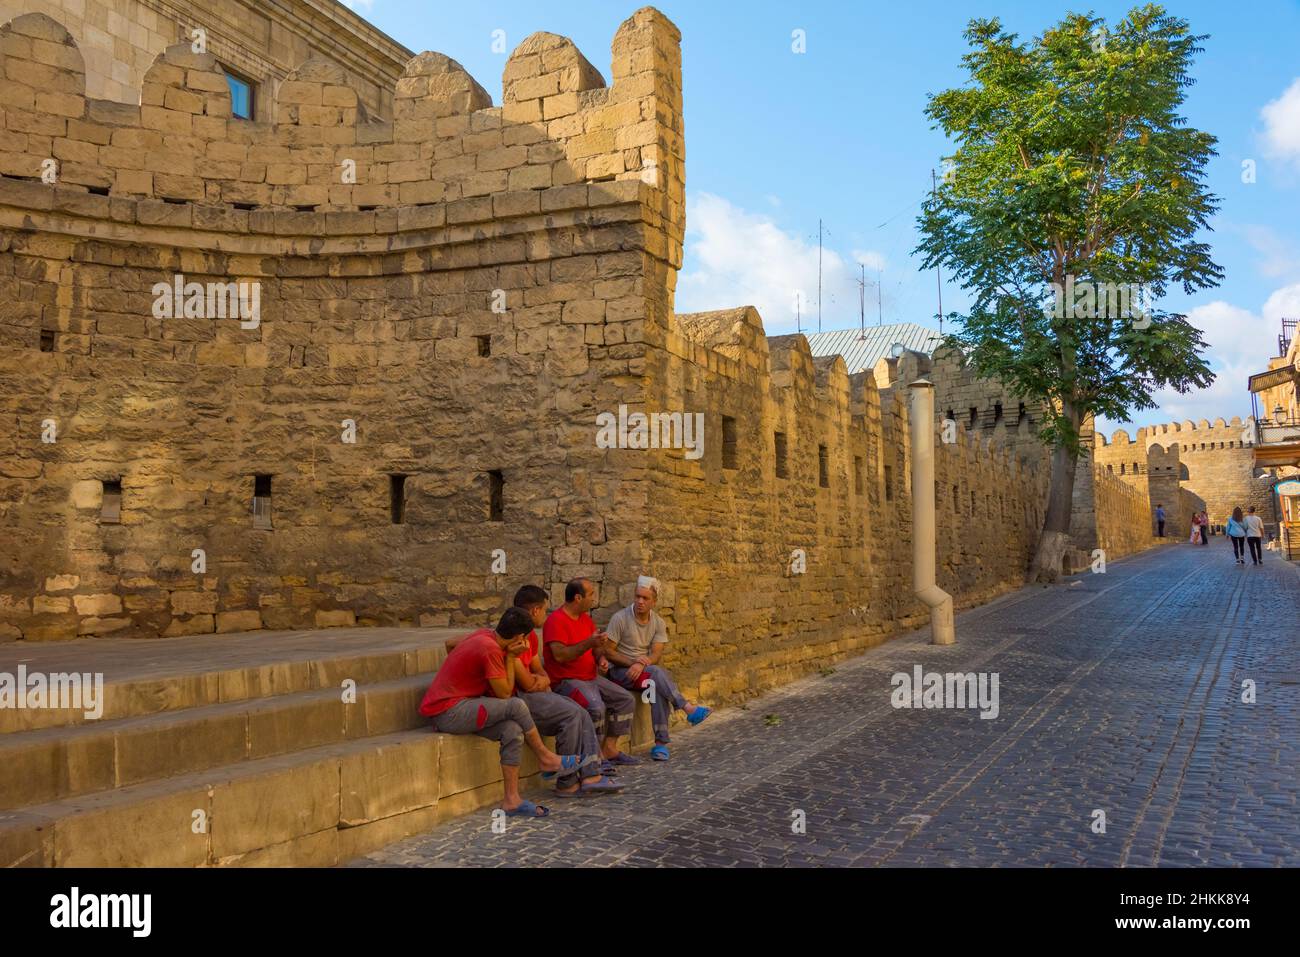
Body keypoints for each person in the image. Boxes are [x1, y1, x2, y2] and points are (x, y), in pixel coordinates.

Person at [445, 586, 622, 797]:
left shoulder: (530, 638)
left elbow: (540, 671)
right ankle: (569, 780)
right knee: (572, 713)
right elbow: (527, 683)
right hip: (520, 697)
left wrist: (542, 679)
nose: (547, 616)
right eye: (545, 610)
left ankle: (588, 775)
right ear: (535, 611)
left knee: (578, 709)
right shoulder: (513, 639)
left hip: (532, 693)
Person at [419, 607, 581, 819]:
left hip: (464, 705)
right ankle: (545, 757)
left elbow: (450, 644)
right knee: (516, 706)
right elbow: (505, 694)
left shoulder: (484, 635)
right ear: (519, 637)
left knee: (512, 730)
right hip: (448, 712)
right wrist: (511, 657)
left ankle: (511, 799)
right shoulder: (491, 649)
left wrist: (467, 673)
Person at [604, 576, 711, 761]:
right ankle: (687, 708)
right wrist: (634, 663)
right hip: (620, 673)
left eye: (645, 598)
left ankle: (660, 745)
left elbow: (656, 655)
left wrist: (642, 663)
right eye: (638, 596)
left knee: (655, 686)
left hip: (643, 674)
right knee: (655, 674)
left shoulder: (658, 623)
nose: (640, 601)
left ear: (654, 602)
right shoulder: (620, 618)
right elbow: (608, 652)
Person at [543, 578, 639, 768]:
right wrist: (589, 643)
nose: (594, 599)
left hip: (590, 676)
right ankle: (594, 759)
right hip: (567, 680)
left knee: (625, 699)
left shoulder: (585, 618)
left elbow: (594, 650)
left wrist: (600, 658)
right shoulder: (556, 621)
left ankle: (609, 749)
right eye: (591, 594)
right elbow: (560, 655)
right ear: (578, 598)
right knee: (596, 707)